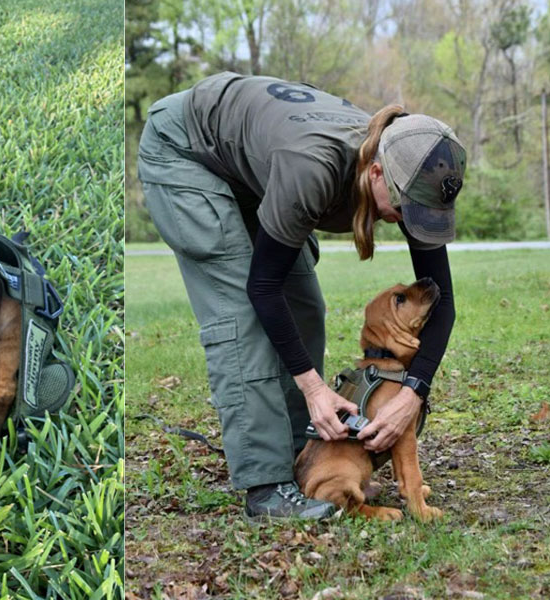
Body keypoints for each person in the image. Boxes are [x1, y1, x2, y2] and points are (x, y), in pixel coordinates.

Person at [136, 72, 465, 521]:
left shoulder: (413, 164)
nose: (411, 222)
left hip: (253, 161)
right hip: (188, 149)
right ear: (374, 174)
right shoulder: (313, 166)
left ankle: (300, 457)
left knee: (306, 306)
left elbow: (441, 299)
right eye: (407, 210)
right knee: (242, 316)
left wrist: (413, 392)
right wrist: (313, 388)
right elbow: (262, 287)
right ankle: (266, 487)